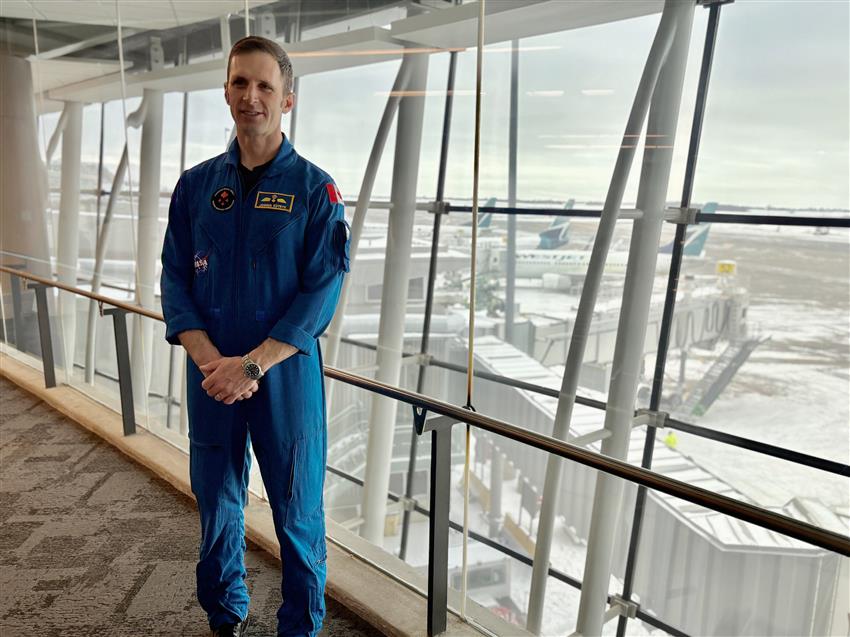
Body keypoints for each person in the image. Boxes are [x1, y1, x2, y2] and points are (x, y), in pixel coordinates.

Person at [160, 35, 350, 637]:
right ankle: (225, 616)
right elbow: (173, 278)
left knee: (297, 512)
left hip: (284, 377)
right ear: (226, 93)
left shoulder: (315, 192)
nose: (252, 96)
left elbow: (320, 292)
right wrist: (212, 360)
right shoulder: (195, 189)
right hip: (213, 375)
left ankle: (300, 625)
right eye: (240, 83)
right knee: (216, 501)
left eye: (265, 85)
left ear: (287, 99)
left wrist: (254, 366)